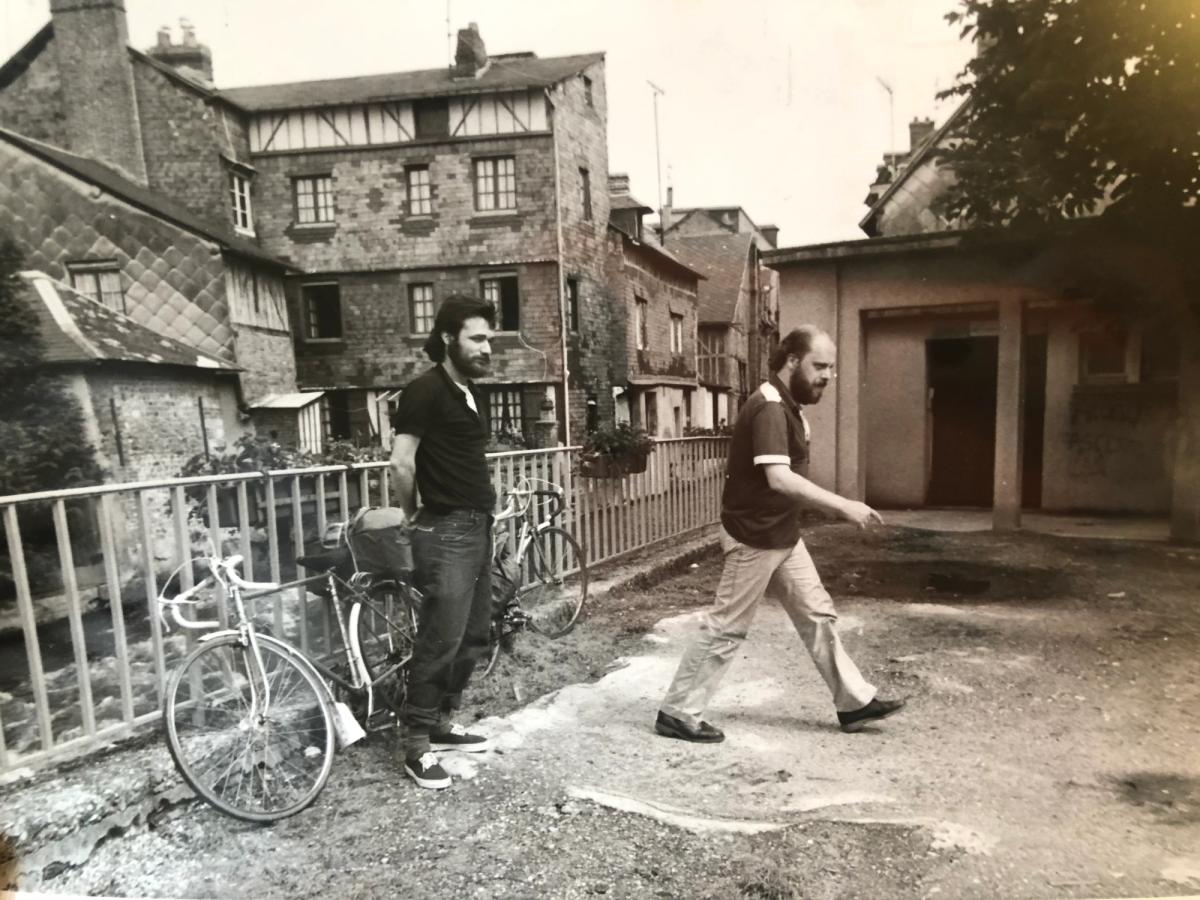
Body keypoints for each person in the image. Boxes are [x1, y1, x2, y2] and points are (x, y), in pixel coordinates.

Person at [656, 325, 904, 742]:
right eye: (819, 366)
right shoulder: (770, 406)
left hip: (782, 534)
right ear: (791, 362)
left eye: (831, 368)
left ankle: (854, 702)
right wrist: (843, 506)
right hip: (754, 536)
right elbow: (779, 478)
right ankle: (677, 713)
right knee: (727, 626)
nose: (827, 376)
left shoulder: (789, 405)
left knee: (817, 616)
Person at [389, 293, 497, 789]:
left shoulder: (471, 392)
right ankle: (416, 746)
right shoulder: (424, 390)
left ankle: (440, 720)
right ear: (449, 337)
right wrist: (411, 514)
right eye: (477, 338)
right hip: (446, 530)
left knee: (474, 635)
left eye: (489, 340)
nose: (486, 348)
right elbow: (401, 462)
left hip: (477, 525)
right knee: (440, 637)